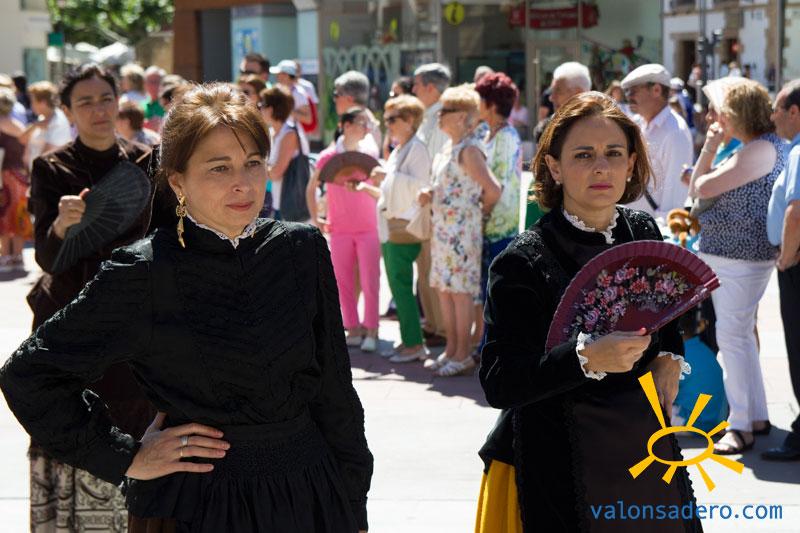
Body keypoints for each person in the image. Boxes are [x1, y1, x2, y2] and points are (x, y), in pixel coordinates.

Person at [1, 82, 373, 533]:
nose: (243, 183)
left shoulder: (301, 248)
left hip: (307, 494)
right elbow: (30, 375)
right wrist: (125, 456)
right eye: (219, 168)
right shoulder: (144, 270)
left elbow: (335, 389)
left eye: (253, 162)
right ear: (178, 181)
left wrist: (353, 501)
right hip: (198, 505)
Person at [476, 91, 699, 532]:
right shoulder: (522, 261)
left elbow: (667, 312)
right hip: (558, 465)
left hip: (645, 453)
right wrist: (586, 358)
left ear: (631, 164)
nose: (601, 167)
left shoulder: (642, 231)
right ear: (554, 167)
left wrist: (669, 355)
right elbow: (500, 381)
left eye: (614, 153)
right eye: (583, 155)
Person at [21, 63, 169, 531]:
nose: (98, 109)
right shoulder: (51, 168)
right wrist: (61, 226)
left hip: (134, 325)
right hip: (71, 323)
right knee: (72, 423)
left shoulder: (147, 162)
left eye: (105, 98)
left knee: (134, 424)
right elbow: (48, 258)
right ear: (67, 111)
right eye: (84, 102)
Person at [689, 79, 785, 455]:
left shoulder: (757, 149)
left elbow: (700, 187)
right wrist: (711, 148)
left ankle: (740, 425)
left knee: (732, 338)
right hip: (737, 258)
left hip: (739, 259)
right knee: (739, 338)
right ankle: (754, 417)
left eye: (718, 111)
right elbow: (699, 187)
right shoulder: (756, 147)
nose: (713, 117)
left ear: (736, 114)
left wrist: (710, 147)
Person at [418, 84, 501, 377]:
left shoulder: (469, 150)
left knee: (460, 293)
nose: (439, 116)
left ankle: (463, 353)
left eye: (446, 111)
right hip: (445, 231)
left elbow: (493, 189)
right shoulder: (449, 148)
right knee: (445, 290)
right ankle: (452, 349)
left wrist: (478, 214)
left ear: (461, 116)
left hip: (461, 232)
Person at [348, 95, 431, 362]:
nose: (388, 124)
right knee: (399, 287)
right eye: (386, 119)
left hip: (404, 227)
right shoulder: (401, 149)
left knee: (401, 287)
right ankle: (411, 341)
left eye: (392, 119)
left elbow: (420, 186)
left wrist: (386, 176)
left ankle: (414, 345)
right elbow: (389, 192)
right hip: (393, 227)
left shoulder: (416, 149)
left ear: (410, 120)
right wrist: (366, 187)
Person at [307, 107, 381, 352]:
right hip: (339, 229)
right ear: (346, 125)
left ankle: (372, 329)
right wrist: (316, 218)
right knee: (343, 281)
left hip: (369, 227)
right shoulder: (327, 156)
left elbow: (381, 188)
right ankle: (352, 328)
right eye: (361, 123)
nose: (366, 128)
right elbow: (311, 187)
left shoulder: (370, 153)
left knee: (371, 280)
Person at [764, 79, 800, 461]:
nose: (772, 117)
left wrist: (787, 257)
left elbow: (796, 212)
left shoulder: (799, 152)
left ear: (794, 112)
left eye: (777, 109)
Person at [474, 73, 522, 347]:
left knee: (495, 292)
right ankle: (485, 345)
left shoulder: (505, 136)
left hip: (500, 225)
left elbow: (498, 186)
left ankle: (490, 348)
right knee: (486, 291)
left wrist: (482, 214)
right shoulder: (488, 133)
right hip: (488, 223)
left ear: (491, 104)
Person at [621, 63, 694, 220]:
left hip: (655, 228)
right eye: (627, 92)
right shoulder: (639, 124)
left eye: (633, 91)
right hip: (636, 223)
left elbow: (675, 194)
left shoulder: (675, 131)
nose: (629, 97)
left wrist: (664, 229)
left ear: (656, 90)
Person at [412, 63, 451, 348]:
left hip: (434, 205)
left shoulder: (440, 119)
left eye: (417, 84)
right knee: (425, 270)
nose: (413, 89)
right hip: (425, 204)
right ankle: (434, 324)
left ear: (430, 88)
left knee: (433, 271)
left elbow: (435, 164)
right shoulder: (428, 117)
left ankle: (442, 328)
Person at [259, 85, 309, 220]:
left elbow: (276, 173)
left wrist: (258, 168)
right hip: (278, 203)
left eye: (261, 105)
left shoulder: (289, 134)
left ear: (270, 109)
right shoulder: (272, 132)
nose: (259, 109)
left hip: (292, 207)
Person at [0, 88, 32, 273]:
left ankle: (5, 256)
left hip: (5, 175)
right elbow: (27, 150)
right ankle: (18, 257)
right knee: (19, 213)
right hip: (20, 174)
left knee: (4, 214)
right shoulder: (18, 125)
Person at [533, 62, 591, 143]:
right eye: (552, 91)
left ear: (578, 93)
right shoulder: (547, 129)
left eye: (558, 91)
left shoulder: (599, 128)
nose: (551, 98)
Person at [20, 81, 72, 169]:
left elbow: (48, 153)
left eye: (33, 101)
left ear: (43, 103)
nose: (31, 105)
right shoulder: (41, 118)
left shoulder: (59, 122)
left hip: (47, 173)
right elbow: (22, 139)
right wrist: (35, 126)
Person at [334, 71, 381, 148]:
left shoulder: (362, 126)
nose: (334, 99)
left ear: (349, 98)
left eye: (336, 95)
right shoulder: (351, 120)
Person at [271, 60, 313, 126]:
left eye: (279, 74)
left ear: (286, 75)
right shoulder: (276, 89)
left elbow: (308, 119)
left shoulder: (299, 93)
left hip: (292, 131)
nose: (277, 76)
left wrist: (286, 110)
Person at [143, 65, 166, 132]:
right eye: (150, 81)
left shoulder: (168, 105)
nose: (152, 85)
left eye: (156, 82)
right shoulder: (141, 105)